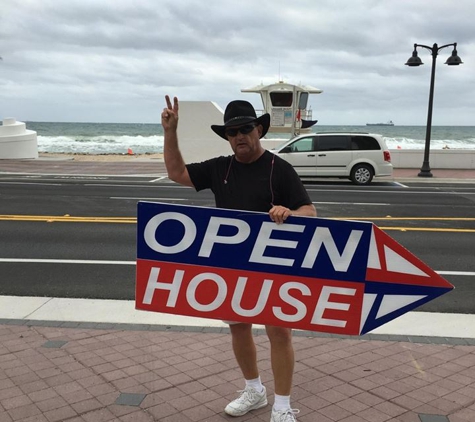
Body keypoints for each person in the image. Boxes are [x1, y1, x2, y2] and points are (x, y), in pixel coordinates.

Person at [161, 95, 317, 422]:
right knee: (239, 327)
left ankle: (283, 407)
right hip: (232, 265)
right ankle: (255, 390)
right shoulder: (221, 168)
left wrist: (290, 212)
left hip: (273, 264)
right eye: (232, 132)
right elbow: (177, 173)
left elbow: (309, 210)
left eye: (245, 129)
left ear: (258, 130)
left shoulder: (280, 169)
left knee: (279, 332)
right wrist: (170, 131)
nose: (239, 137)